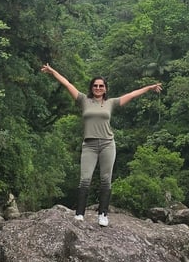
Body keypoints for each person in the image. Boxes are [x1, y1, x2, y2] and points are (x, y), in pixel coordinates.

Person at [41, 64, 162, 227]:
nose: (98, 88)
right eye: (95, 85)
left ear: (105, 89)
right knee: (85, 179)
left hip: (107, 144)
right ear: (92, 88)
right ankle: (79, 214)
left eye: (101, 86)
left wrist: (149, 87)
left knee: (106, 179)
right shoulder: (84, 100)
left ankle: (103, 214)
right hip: (89, 145)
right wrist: (53, 71)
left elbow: (132, 94)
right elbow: (67, 84)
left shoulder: (111, 103)